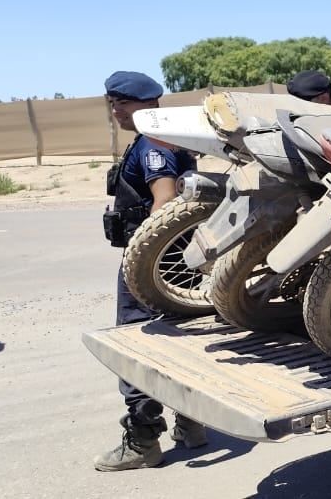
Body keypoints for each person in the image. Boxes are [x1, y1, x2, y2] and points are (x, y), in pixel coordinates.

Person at [95, 71, 208, 471]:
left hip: (152, 264)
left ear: (147, 105)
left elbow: (165, 201)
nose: (115, 110)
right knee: (181, 341)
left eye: (121, 103)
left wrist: (143, 261)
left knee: (136, 348)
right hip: (180, 262)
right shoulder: (170, 138)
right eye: (112, 103)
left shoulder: (151, 146)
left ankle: (143, 440)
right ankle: (191, 425)